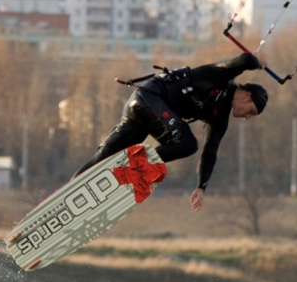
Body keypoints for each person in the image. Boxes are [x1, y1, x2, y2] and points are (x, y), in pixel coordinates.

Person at [74, 52, 268, 211]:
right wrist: (257, 61)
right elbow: (243, 61)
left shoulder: (220, 117)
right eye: (251, 111)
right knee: (187, 144)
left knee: (105, 157)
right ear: (246, 96)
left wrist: (201, 187)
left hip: (144, 109)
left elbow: (210, 152)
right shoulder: (220, 76)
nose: (248, 117)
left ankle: (67, 193)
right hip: (150, 98)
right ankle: (133, 172)